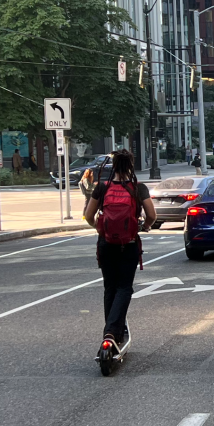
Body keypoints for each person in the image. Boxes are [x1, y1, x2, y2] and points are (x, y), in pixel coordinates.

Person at [83, 149, 158, 353]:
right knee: (124, 288)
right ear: (131, 166)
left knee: (110, 287)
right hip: (129, 244)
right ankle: (113, 331)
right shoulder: (138, 188)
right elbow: (152, 214)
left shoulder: (103, 187)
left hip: (106, 244)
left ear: (113, 166)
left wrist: (99, 226)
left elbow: (89, 215)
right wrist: (145, 226)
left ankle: (110, 332)